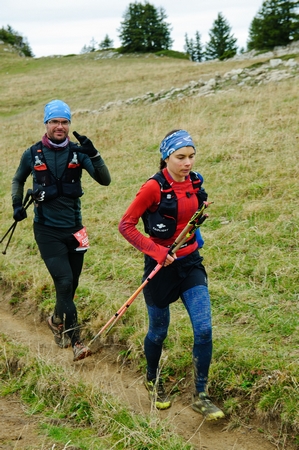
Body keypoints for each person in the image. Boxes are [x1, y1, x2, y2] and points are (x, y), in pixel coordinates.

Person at [118, 129, 224, 420]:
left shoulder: (196, 181)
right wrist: (156, 252)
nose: (187, 163)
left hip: (190, 263)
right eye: (180, 157)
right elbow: (126, 225)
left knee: (203, 329)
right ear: (166, 157)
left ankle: (200, 395)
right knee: (159, 331)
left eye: (191, 156)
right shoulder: (153, 188)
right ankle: (153, 380)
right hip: (159, 268)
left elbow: (193, 215)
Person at [11, 99, 111, 362]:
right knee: (64, 282)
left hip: (76, 230)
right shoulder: (32, 153)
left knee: (70, 286)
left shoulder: (79, 153)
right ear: (46, 124)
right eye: (54, 121)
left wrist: (94, 154)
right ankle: (76, 339)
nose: (59, 126)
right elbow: (18, 179)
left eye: (64, 121)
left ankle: (56, 320)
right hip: (47, 231)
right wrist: (16, 205)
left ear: (69, 124)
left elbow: (105, 180)